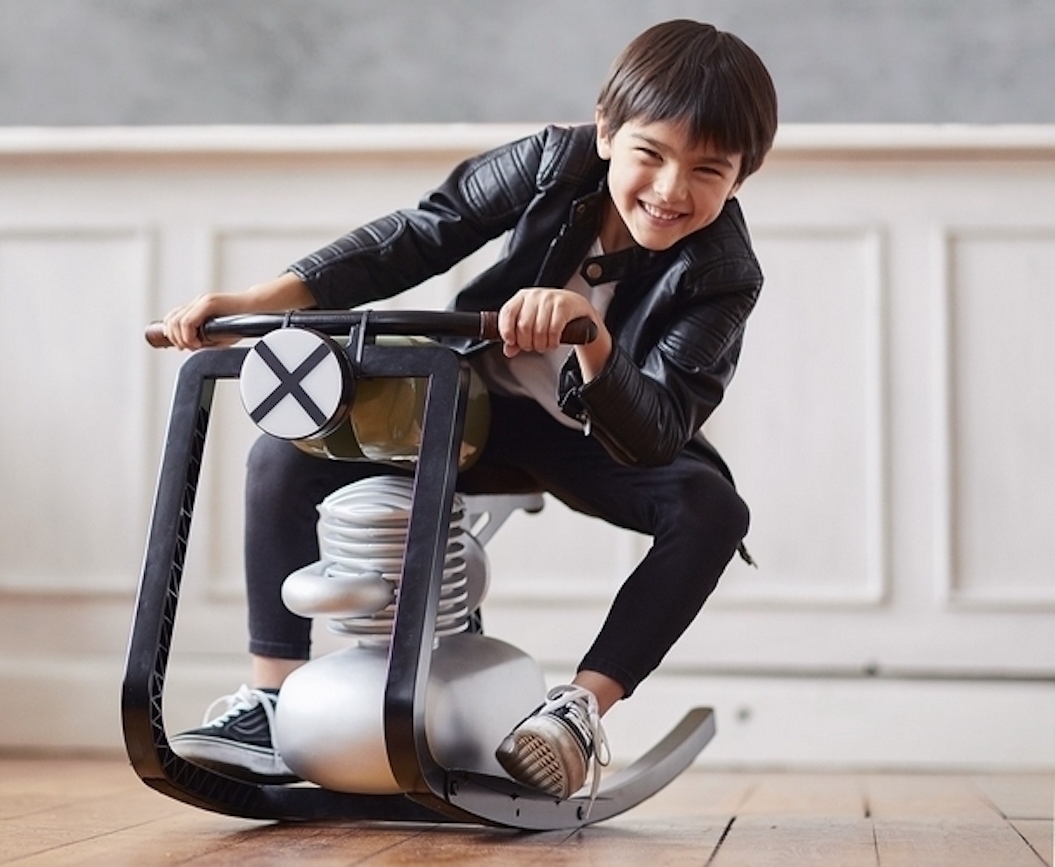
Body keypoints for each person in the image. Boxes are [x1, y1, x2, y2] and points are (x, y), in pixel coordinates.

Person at [159, 18, 778, 799]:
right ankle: (272, 703)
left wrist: (591, 340)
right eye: (650, 154)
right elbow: (421, 234)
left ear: (741, 177)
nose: (670, 189)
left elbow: (656, 430)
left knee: (711, 509)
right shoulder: (555, 159)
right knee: (285, 449)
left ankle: (578, 712)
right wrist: (262, 299)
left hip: (604, 439)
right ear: (607, 131)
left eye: (707, 170)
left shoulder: (726, 272)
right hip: (473, 407)